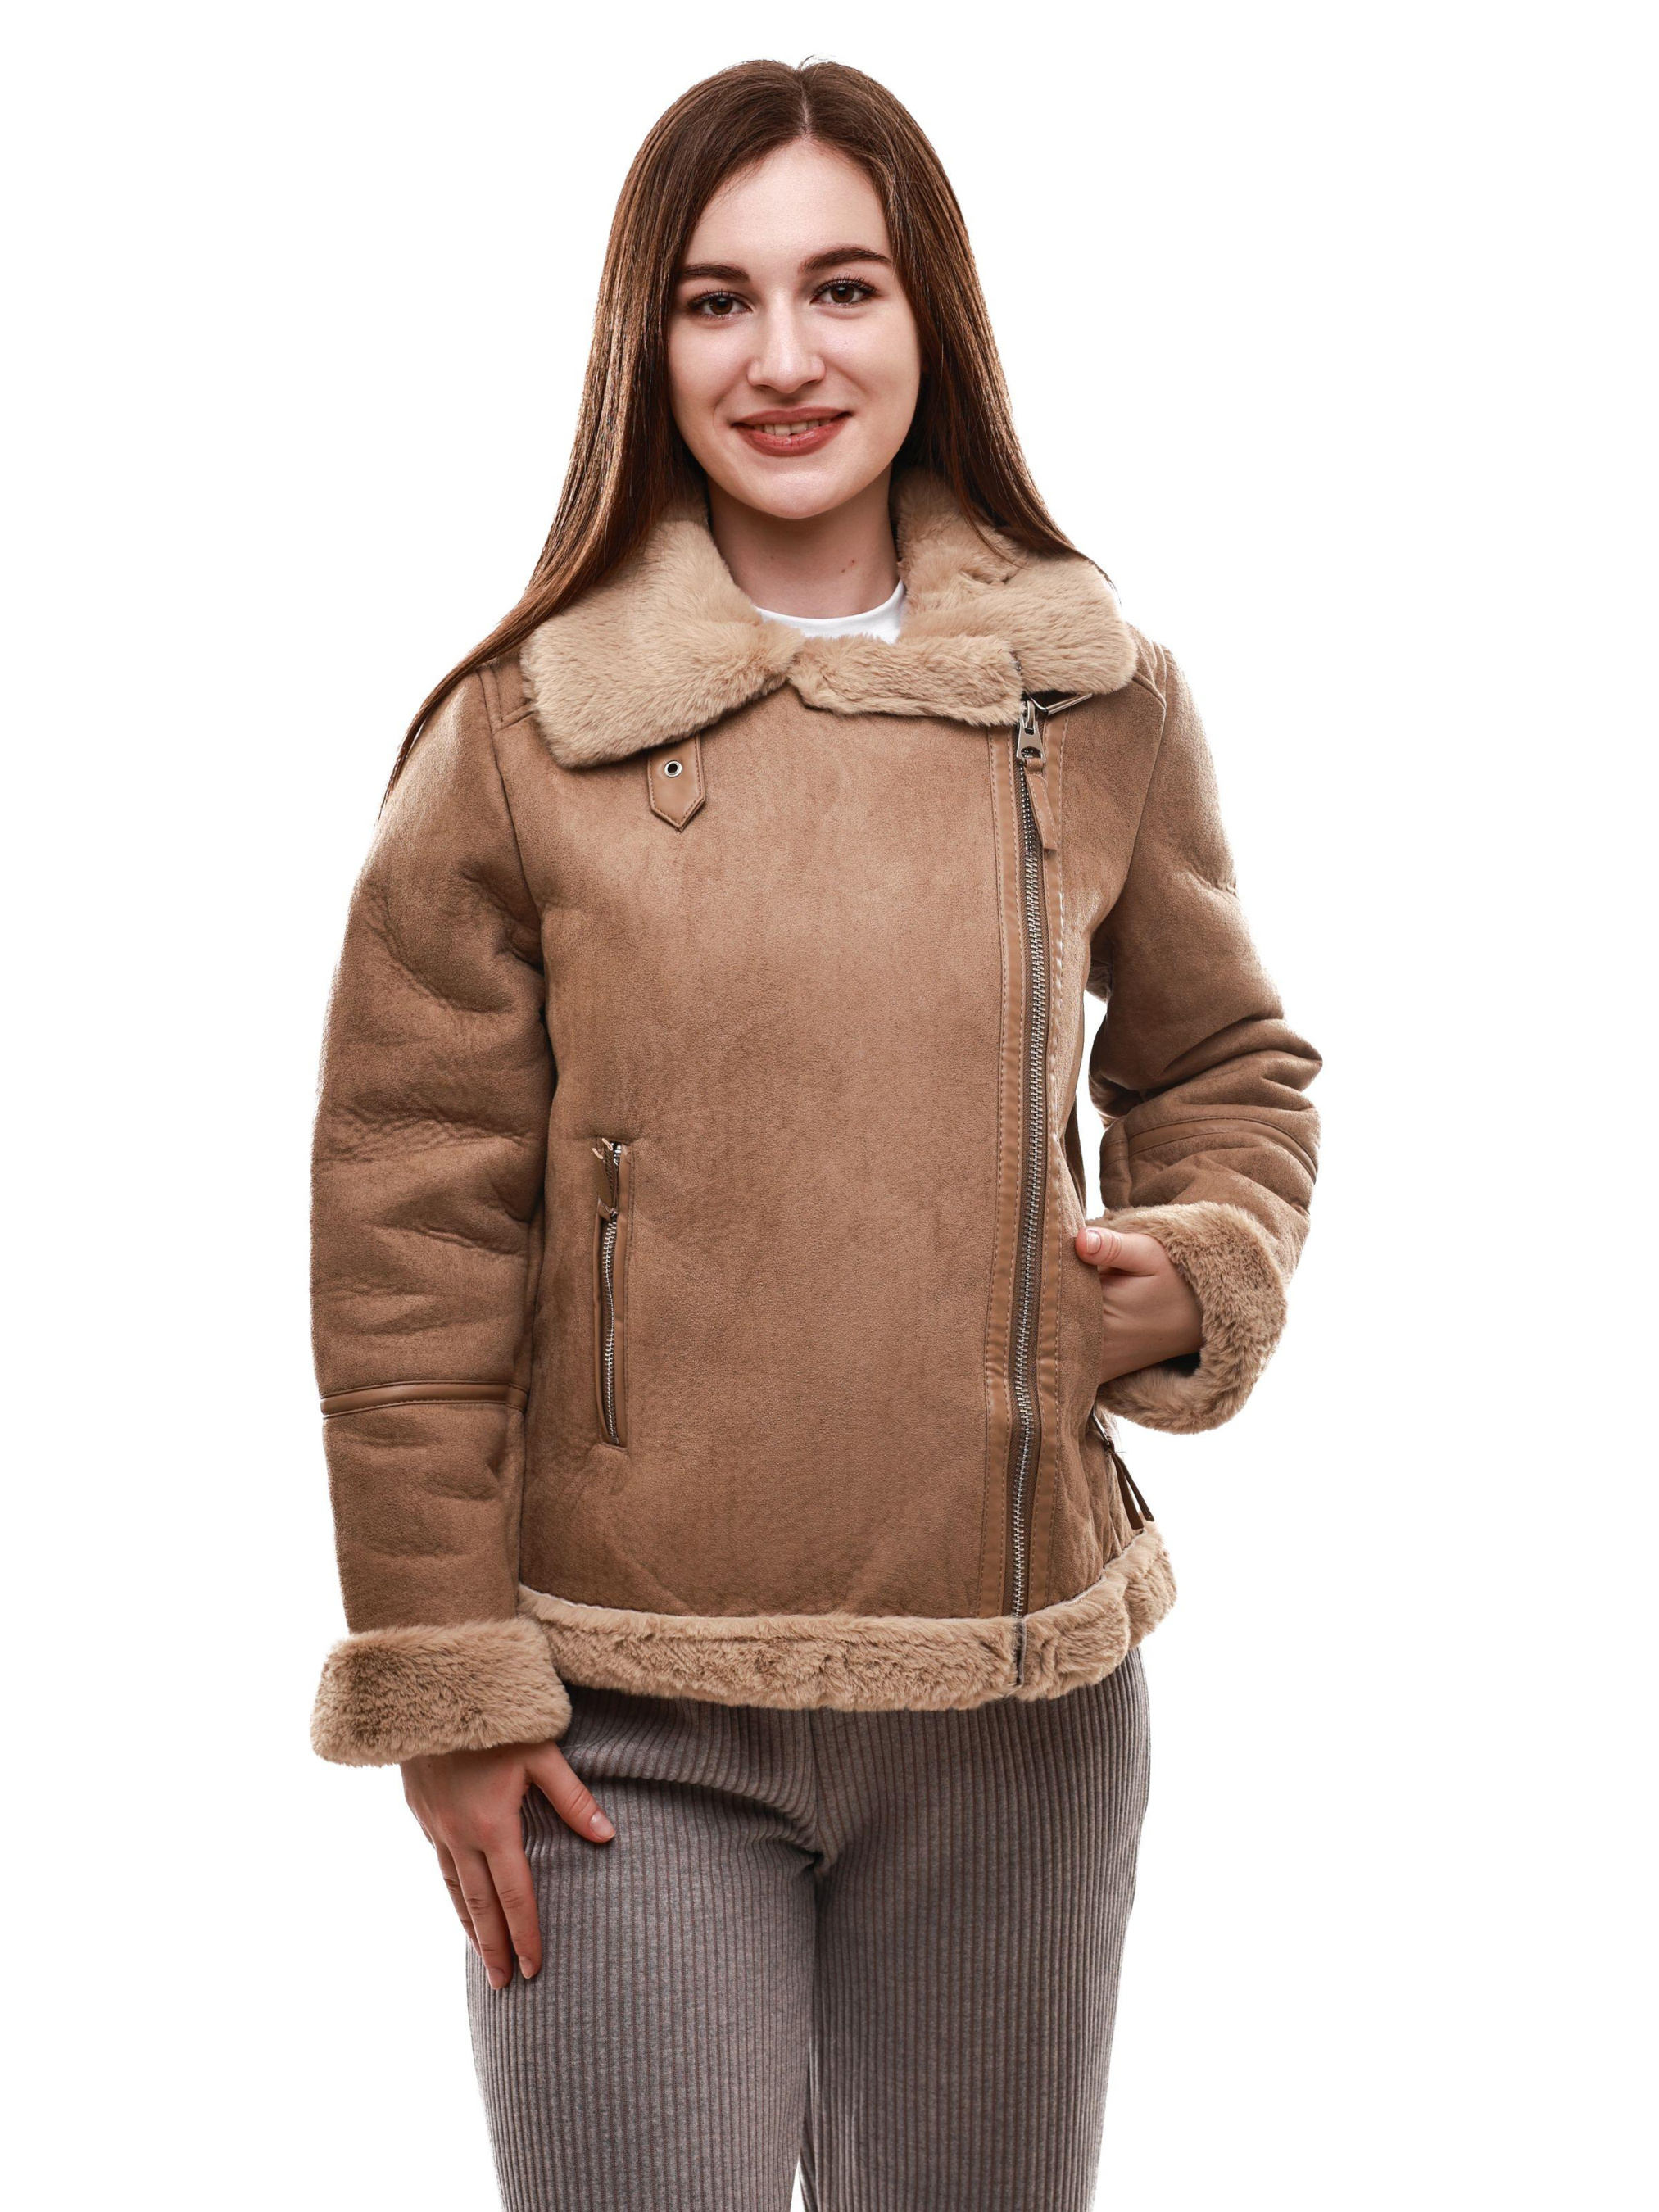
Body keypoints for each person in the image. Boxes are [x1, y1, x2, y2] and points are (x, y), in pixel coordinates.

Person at [307, 56, 1322, 2212]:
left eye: (841, 288)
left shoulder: (1089, 695)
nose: (783, 357)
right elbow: (409, 1219)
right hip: (616, 1719)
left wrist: (1194, 1264)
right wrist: (449, 1681)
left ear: (929, 314)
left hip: (1020, 1698)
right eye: (717, 300)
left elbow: (1225, 1065)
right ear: (645, 342)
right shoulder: (523, 734)